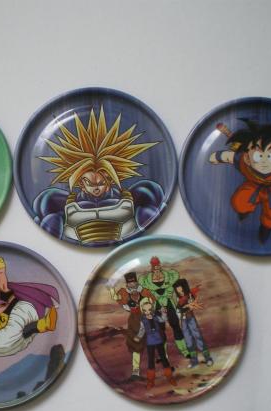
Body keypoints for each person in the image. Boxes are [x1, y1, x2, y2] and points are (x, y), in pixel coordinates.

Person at [33, 106, 165, 245]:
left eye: (101, 183)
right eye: (90, 184)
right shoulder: (61, 201)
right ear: (81, 183)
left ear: (110, 181)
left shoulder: (132, 196)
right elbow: (47, 222)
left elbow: (151, 214)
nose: (96, 188)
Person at [138, 256, 191, 358]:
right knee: (160, 330)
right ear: (151, 267)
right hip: (157, 306)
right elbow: (141, 283)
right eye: (154, 265)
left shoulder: (168, 276)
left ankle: (184, 351)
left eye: (157, 265)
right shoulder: (147, 280)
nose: (156, 267)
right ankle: (164, 355)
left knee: (176, 327)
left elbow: (175, 277)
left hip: (169, 304)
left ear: (160, 265)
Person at [109, 272, 155, 380]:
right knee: (136, 345)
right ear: (127, 284)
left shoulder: (144, 292)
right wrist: (111, 288)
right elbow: (116, 297)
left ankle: (156, 369)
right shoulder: (124, 293)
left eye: (133, 282)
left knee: (153, 343)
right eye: (130, 283)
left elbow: (153, 300)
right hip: (134, 321)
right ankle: (136, 371)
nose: (132, 284)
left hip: (147, 318)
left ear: (136, 282)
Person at [134, 298, 177, 390]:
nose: (148, 312)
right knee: (151, 360)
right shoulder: (143, 320)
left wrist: (164, 313)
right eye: (145, 310)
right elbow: (142, 330)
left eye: (149, 309)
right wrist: (138, 337)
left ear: (152, 309)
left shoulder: (156, 317)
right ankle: (151, 380)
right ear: (143, 311)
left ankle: (170, 377)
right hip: (150, 342)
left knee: (164, 358)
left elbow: (163, 320)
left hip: (158, 340)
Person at [173, 278, 213, 367]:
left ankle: (208, 358)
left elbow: (187, 307)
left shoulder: (189, 295)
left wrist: (185, 307)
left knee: (197, 337)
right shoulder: (178, 299)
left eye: (181, 290)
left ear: (184, 288)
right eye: (178, 290)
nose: (180, 292)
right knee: (188, 340)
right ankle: (194, 361)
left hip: (190, 319)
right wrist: (184, 308)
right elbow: (179, 309)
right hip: (183, 321)